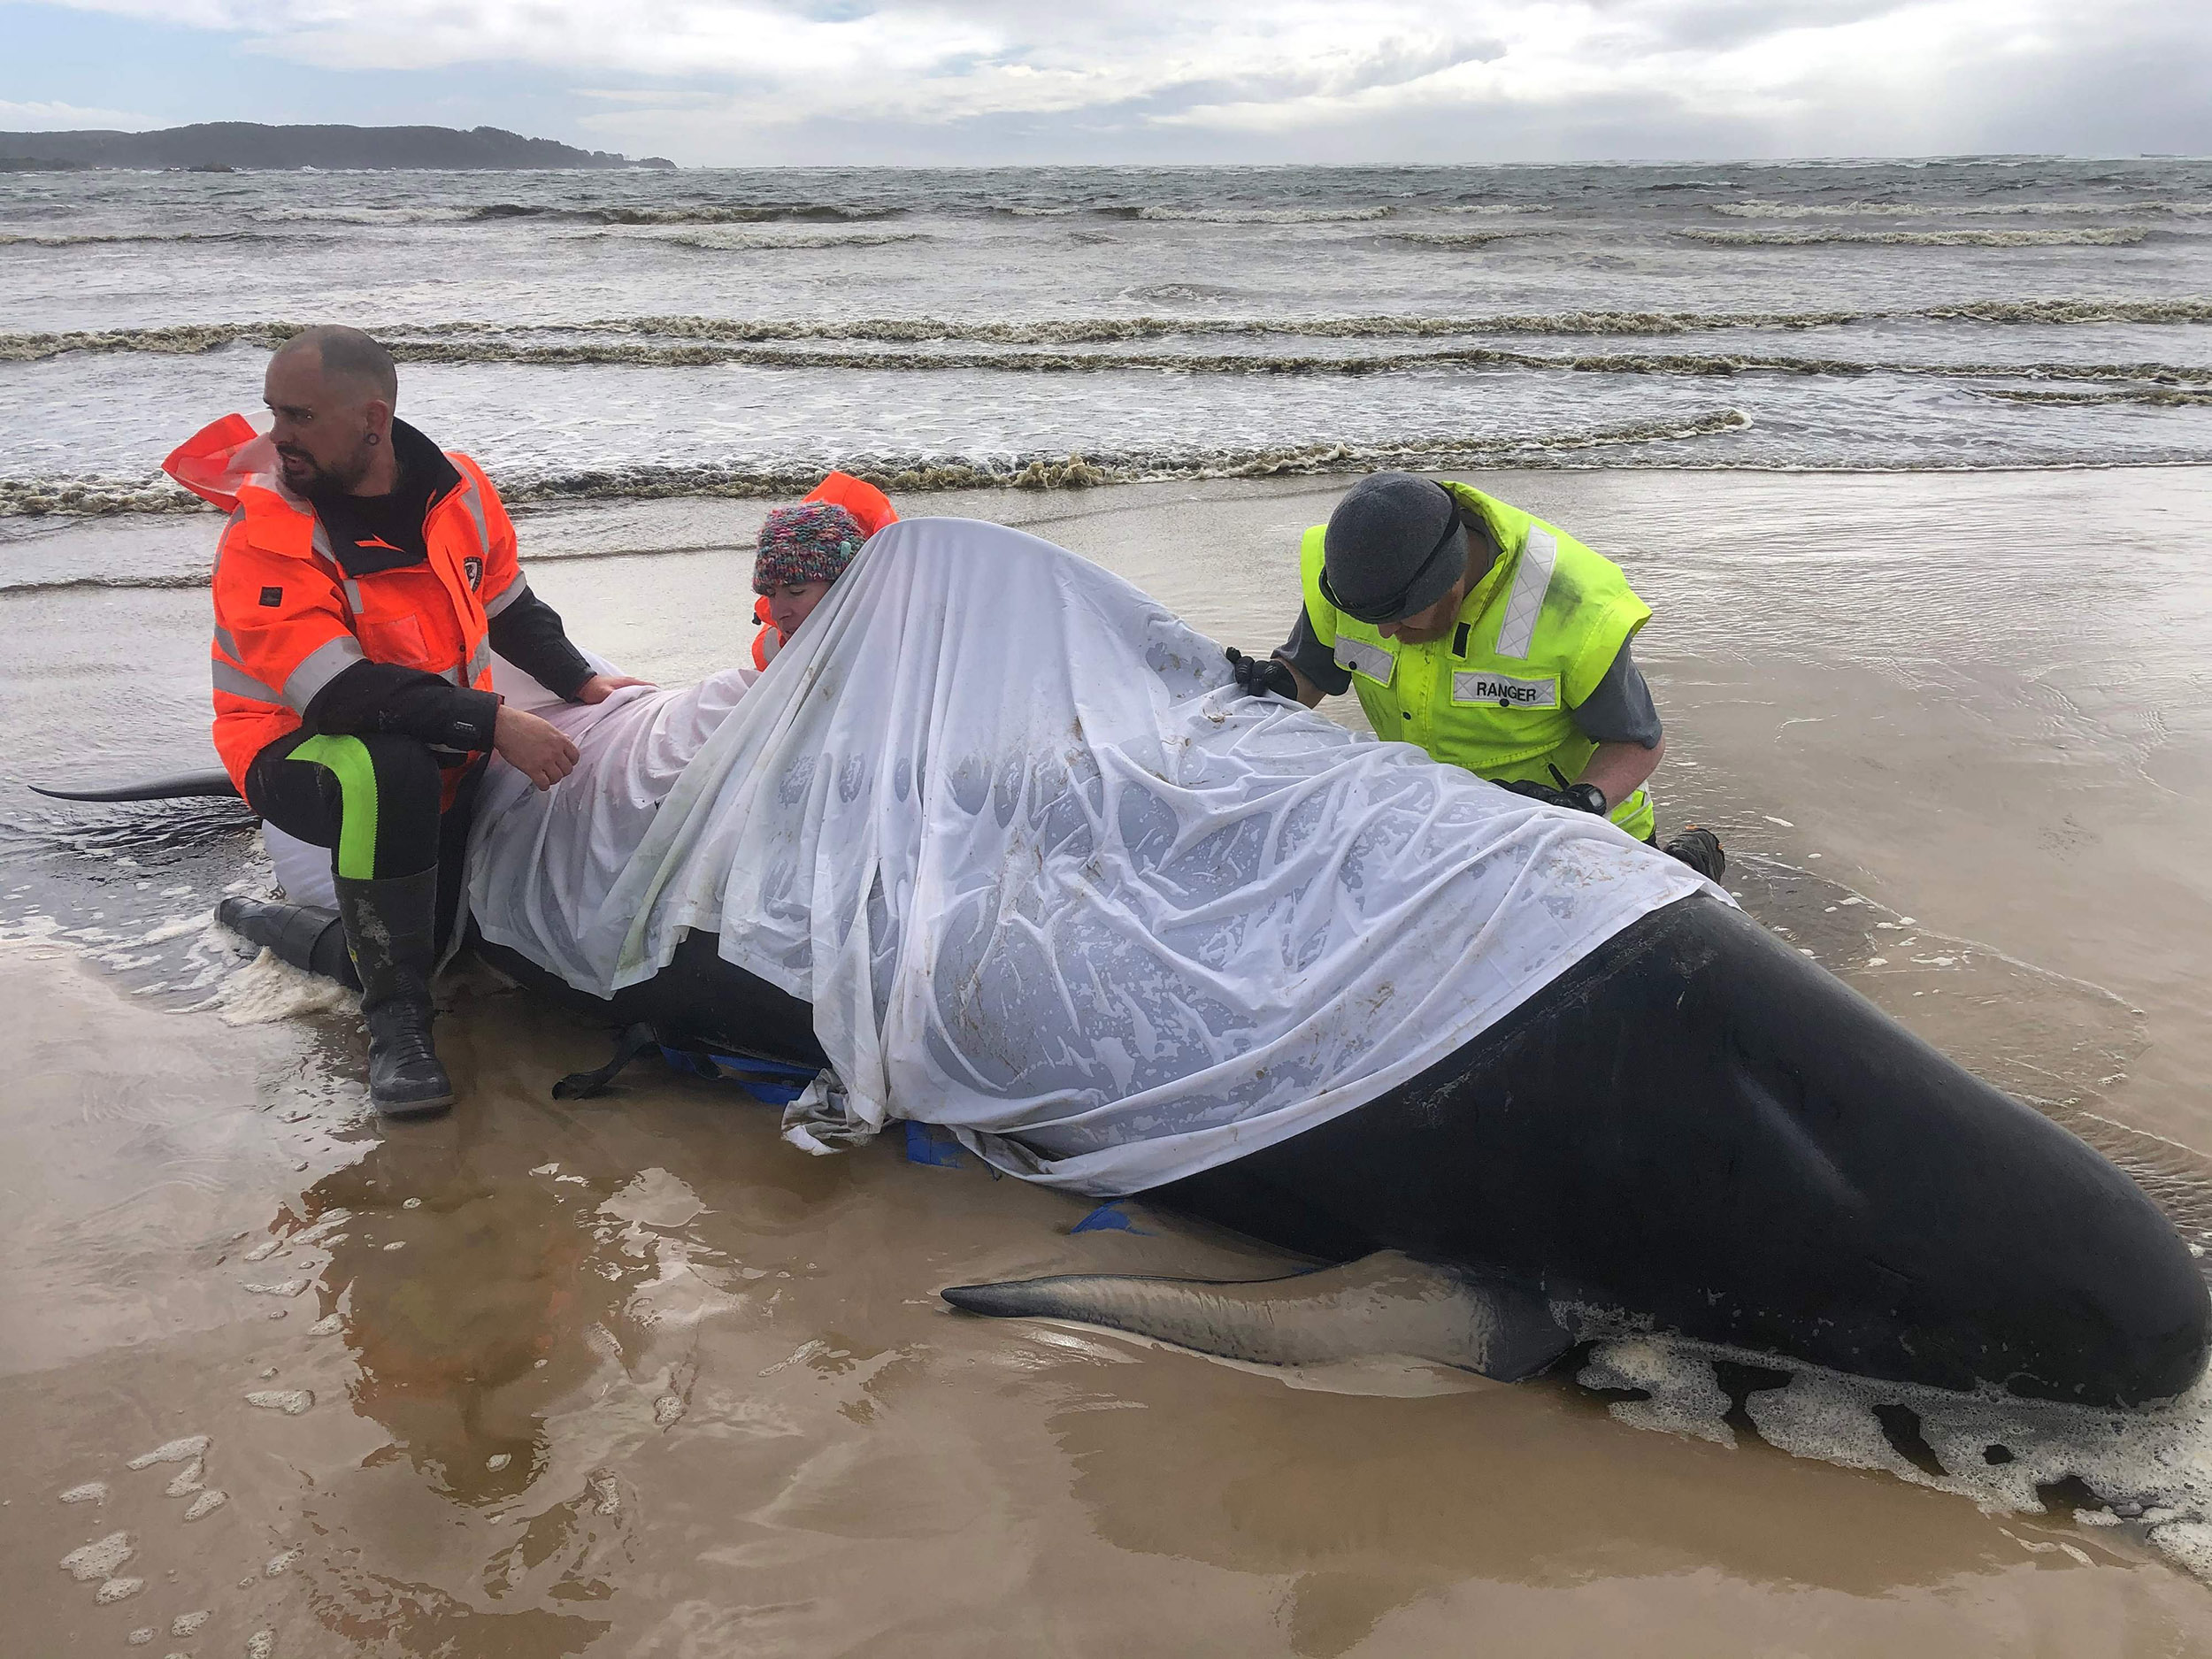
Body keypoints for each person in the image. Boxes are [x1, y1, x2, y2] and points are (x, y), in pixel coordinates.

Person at [169, 326, 647, 1118]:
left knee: (444, 934)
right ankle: (397, 1026)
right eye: (272, 414)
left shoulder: (457, 488)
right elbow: (334, 693)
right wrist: (494, 724)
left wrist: (585, 682)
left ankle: (323, 936)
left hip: (437, 738)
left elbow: (509, 607)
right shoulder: (270, 531)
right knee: (387, 769)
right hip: (297, 748)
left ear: (373, 419)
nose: (275, 438)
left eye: (298, 417)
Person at [1225, 472, 1723, 878]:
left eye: (1404, 615)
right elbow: (1309, 672)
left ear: (1456, 578)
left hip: (1587, 830)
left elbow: (1638, 743)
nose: (1383, 629)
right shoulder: (1357, 576)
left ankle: (1694, 855)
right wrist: (1274, 683)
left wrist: (1577, 805)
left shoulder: (1572, 608)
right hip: (1440, 825)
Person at [749, 472, 897, 668]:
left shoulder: (909, 645)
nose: (777, 613)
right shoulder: (772, 651)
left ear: (846, 587)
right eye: (770, 594)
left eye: (795, 592)